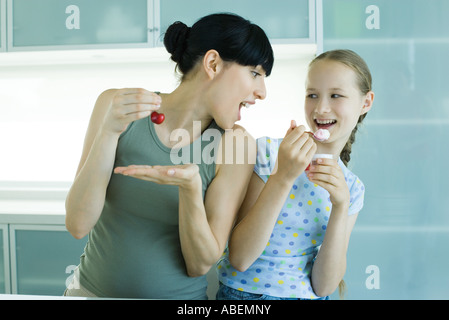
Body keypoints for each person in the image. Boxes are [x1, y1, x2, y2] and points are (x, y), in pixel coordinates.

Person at [64, 13, 273, 299]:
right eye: (255, 73)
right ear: (212, 64)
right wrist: (109, 132)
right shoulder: (118, 107)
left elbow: (200, 264)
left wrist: (190, 190)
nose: (261, 92)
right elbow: (77, 224)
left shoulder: (236, 144)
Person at [216, 49, 374, 300]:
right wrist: (283, 176)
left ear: (365, 102)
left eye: (336, 95)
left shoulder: (352, 189)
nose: (321, 108)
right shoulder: (268, 153)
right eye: (312, 95)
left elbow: (324, 287)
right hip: (245, 297)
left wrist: (341, 206)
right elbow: (241, 258)